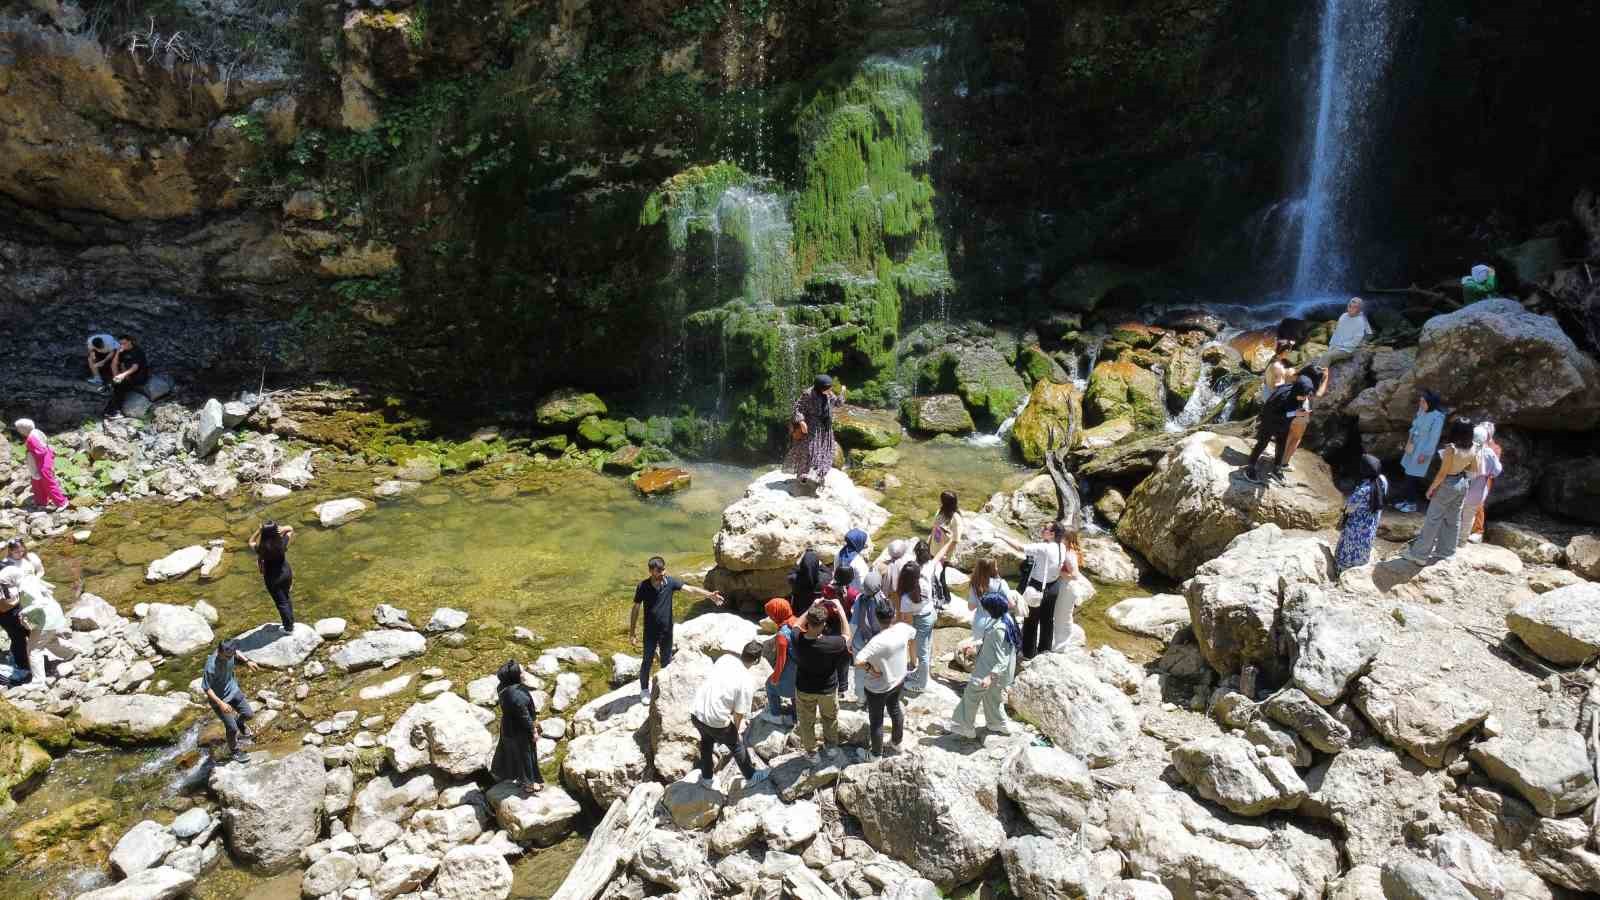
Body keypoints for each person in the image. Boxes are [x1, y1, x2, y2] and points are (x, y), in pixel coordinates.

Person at [629, 556, 723, 703]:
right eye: (659, 570)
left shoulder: (670, 582)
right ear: (651, 571)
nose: (662, 572)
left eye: (663, 569)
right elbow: (635, 608)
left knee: (666, 661)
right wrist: (632, 632)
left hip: (667, 631)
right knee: (647, 661)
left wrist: (709, 595)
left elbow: (690, 589)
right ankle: (644, 690)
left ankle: (665, 688)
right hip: (650, 632)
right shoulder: (643, 586)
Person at [1402, 417, 1480, 565]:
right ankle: (1446, 551)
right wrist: (1462, 468)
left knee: (1433, 520)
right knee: (1453, 519)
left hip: (1448, 484)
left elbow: (1442, 473)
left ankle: (1419, 555)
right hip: (1462, 483)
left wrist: (1431, 489)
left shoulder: (1451, 449)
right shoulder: (1474, 447)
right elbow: (1475, 470)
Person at [946, 592, 1020, 738]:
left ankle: (965, 727)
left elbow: (1002, 659)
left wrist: (989, 677)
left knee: (970, 696)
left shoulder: (999, 629)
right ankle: (998, 723)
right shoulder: (1006, 619)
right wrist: (975, 646)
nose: (984, 609)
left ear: (992, 608)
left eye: (986, 607)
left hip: (988, 672)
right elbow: (995, 644)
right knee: (993, 698)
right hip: (996, 672)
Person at [690, 640, 764, 783]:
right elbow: (739, 713)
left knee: (706, 741)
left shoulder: (726, 659)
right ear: (757, 660)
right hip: (715, 719)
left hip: (696, 711)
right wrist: (734, 732)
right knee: (736, 746)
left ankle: (706, 778)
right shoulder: (747, 681)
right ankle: (751, 776)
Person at [852, 598, 914, 758]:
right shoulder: (903, 628)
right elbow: (913, 635)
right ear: (893, 615)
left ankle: (875, 755)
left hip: (877, 688)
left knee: (877, 721)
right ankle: (897, 742)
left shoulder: (876, 642)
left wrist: (870, 669)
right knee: (895, 709)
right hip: (898, 679)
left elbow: (857, 660)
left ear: (877, 618)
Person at [997, 521, 1067, 659]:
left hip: (1037, 587)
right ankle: (1044, 650)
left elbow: (1019, 547)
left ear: (1052, 534)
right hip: (1053, 586)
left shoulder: (1044, 548)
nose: (1042, 529)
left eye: (1045, 528)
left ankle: (1028, 653)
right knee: (1047, 620)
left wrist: (1000, 536)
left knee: (1031, 620)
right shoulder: (1062, 547)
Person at [791, 604, 849, 762]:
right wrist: (841, 610)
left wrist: (811, 606)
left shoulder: (796, 638)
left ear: (808, 622)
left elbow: (796, 624)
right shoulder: (833, 644)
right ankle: (831, 747)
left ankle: (811, 752)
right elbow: (846, 635)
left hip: (804, 689)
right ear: (824, 624)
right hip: (827, 690)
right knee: (829, 718)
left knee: (806, 721)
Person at [1244, 373, 1316, 484]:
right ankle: (1250, 467)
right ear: (1298, 391)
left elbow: (1294, 405)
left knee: (1281, 444)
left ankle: (1276, 468)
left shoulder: (1296, 393)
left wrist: (1299, 412)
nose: (1305, 398)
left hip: (1284, 422)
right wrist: (1294, 413)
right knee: (1262, 443)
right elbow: (1274, 414)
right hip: (1270, 420)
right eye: (1304, 395)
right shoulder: (1283, 396)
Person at [490, 659, 543, 792]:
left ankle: (513, 776)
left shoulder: (502, 687)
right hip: (520, 731)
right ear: (515, 676)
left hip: (508, 726)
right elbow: (524, 716)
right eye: (522, 671)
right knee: (526, 755)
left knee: (512, 753)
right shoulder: (517, 695)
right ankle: (529, 784)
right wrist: (534, 731)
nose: (524, 672)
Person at [203, 639, 260, 758]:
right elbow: (206, 688)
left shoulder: (230, 652)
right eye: (227, 656)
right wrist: (221, 704)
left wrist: (247, 661)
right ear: (220, 652)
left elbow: (236, 652)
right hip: (219, 700)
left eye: (231, 655)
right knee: (232, 728)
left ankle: (240, 722)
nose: (230, 658)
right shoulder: (211, 666)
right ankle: (234, 751)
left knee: (249, 714)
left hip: (233, 690)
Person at [785, 374, 845, 485]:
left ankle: (820, 474)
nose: (830, 390)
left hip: (825, 429)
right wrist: (801, 421)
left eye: (830, 388)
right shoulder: (808, 394)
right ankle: (803, 474)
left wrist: (842, 392)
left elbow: (837, 403)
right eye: (827, 388)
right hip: (811, 428)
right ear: (819, 387)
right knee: (808, 451)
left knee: (825, 452)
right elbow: (797, 409)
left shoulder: (828, 393)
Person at [1335, 455, 1387, 574]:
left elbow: (1349, 508)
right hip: (1371, 524)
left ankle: (1342, 571)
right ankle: (1361, 565)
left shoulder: (1363, 490)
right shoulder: (1382, 480)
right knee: (1364, 547)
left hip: (1356, 527)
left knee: (1349, 548)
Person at [1396, 390, 1446, 513]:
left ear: (1430, 403)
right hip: (1413, 445)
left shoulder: (1437, 418)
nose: (1421, 404)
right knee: (1408, 474)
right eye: (1421, 401)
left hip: (1422, 450)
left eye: (1423, 402)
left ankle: (1412, 503)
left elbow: (1433, 438)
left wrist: (1426, 454)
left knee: (1413, 476)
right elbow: (1415, 425)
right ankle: (1406, 500)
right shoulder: (1422, 411)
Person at [1050, 527, 1094, 652]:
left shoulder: (1070, 554)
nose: (1058, 538)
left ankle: (1062, 645)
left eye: (1061, 536)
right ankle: (1059, 643)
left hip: (1068, 588)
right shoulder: (1067, 551)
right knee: (1059, 616)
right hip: (1065, 587)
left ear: (1067, 539)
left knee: (1063, 617)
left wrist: (1057, 572)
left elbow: (1075, 575)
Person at [896, 560, 937, 693]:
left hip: (921, 621)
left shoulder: (906, 599)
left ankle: (921, 684)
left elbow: (908, 622)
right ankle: (920, 672)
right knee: (927, 645)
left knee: (922, 653)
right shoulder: (924, 582)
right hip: (931, 614)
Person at [249, 521, 297, 632]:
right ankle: (291, 622)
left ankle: (288, 628)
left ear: (264, 534)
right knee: (286, 597)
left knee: (281, 603)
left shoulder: (261, 549)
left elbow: (251, 542)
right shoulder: (281, 543)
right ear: (276, 532)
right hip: (286, 573)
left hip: (273, 579)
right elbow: (290, 529)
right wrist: (283, 528)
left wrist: (259, 531)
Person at [1280, 364, 1329, 469]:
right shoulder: (1308, 387)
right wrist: (1326, 378)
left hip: (1287, 410)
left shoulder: (1296, 378)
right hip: (1300, 414)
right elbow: (1319, 394)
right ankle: (1284, 463)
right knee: (1296, 438)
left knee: (1288, 436)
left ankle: (1278, 459)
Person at [850, 572, 889, 701]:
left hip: (860, 642)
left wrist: (849, 642)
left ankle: (861, 699)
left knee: (860, 672)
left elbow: (854, 624)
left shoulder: (860, 599)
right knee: (877, 671)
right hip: (877, 643)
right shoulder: (883, 601)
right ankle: (875, 697)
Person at [1461, 422, 1503, 545]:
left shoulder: (1494, 448)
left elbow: (1495, 470)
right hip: (1468, 477)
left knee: (1478, 504)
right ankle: (1462, 530)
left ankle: (1478, 531)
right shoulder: (1472, 443)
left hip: (1483, 479)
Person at [761, 598, 801, 723]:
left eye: (771, 615)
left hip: (792, 669)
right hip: (804, 669)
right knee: (797, 692)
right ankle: (797, 713)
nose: (770, 618)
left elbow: (781, 661)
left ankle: (776, 715)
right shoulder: (799, 621)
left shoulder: (782, 635)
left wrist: (775, 678)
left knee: (770, 686)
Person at [13, 420, 67, 509]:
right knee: (37, 482)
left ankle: (62, 502)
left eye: (19, 429)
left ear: (23, 429)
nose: (18, 430)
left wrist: (30, 453)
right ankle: (41, 501)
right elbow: (45, 444)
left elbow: (40, 452)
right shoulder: (36, 431)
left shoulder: (31, 438)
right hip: (44, 460)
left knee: (48, 483)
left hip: (42, 464)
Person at [1316, 297, 1374, 367]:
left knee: (1327, 356)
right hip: (1338, 346)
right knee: (1324, 356)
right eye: (1350, 306)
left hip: (1347, 349)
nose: (1351, 309)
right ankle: (1317, 372)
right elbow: (1337, 333)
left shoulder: (1360, 321)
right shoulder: (1343, 316)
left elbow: (1356, 340)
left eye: (1354, 307)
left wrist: (1342, 345)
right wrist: (1332, 345)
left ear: (1359, 310)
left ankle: (1320, 375)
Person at [929, 492, 963, 609]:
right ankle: (937, 595)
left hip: (943, 554)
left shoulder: (956, 518)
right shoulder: (940, 512)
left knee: (940, 576)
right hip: (934, 549)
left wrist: (945, 556)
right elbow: (934, 529)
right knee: (933, 574)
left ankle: (945, 598)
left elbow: (955, 540)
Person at [105, 335, 150, 418]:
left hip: (139, 376)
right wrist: (118, 353)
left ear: (130, 341)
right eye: (120, 344)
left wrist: (123, 375)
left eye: (124, 343)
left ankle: (115, 411)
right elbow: (114, 365)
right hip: (127, 375)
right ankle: (109, 411)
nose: (122, 345)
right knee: (115, 384)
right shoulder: (122, 352)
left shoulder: (137, 351)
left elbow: (135, 367)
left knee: (119, 386)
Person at [0, 581, 29, 684]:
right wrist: (17, 602)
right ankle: (24, 667)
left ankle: (26, 663)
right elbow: (2, 606)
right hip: (8, 615)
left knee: (22, 637)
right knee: (18, 640)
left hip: (9, 614)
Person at [789, 547, 824, 617]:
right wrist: (818, 561)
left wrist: (799, 561)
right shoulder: (824, 579)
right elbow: (827, 571)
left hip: (799, 613)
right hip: (817, 614)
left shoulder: (795, 579)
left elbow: (792, 572)